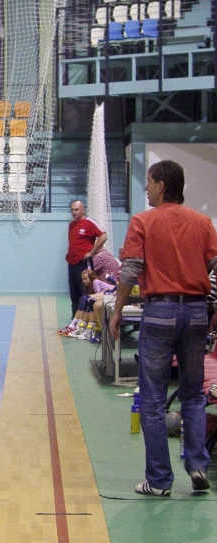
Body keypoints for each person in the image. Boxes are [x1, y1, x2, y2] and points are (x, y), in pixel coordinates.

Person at [109, 159, 217, 496]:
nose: (145, 188)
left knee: (153, 400)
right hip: (196, 313)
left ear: (161, 185)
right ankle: (198, 467)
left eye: (149, 181)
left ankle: (159, 480)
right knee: (194, 396)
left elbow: (130, 270)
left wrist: (116, 310)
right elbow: (215, 265)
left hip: (159, 313)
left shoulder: (143, 221)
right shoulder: (203, 222)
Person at [59, 200, 107, 331]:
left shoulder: (89, 222)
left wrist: (92, 252)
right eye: (72, 210)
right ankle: (74, 322)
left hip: (84, 264)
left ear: (83, 210)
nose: (74, 212)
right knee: (74, 293)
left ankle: (89, 323)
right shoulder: (71, 225)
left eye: (76, 209)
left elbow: (103, 236)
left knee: (86, 293)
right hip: (72, 264)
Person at [59, 269, 114, 340]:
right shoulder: (88, 286)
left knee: (88, 299)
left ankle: (80, 326)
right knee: (84, 299)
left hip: (110, 293)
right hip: (107, 293)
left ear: (91, 278)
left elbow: (99, 294)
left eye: (86, 279)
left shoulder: (95, 282)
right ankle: (76, 324)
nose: (84, 281)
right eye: (83, 279)